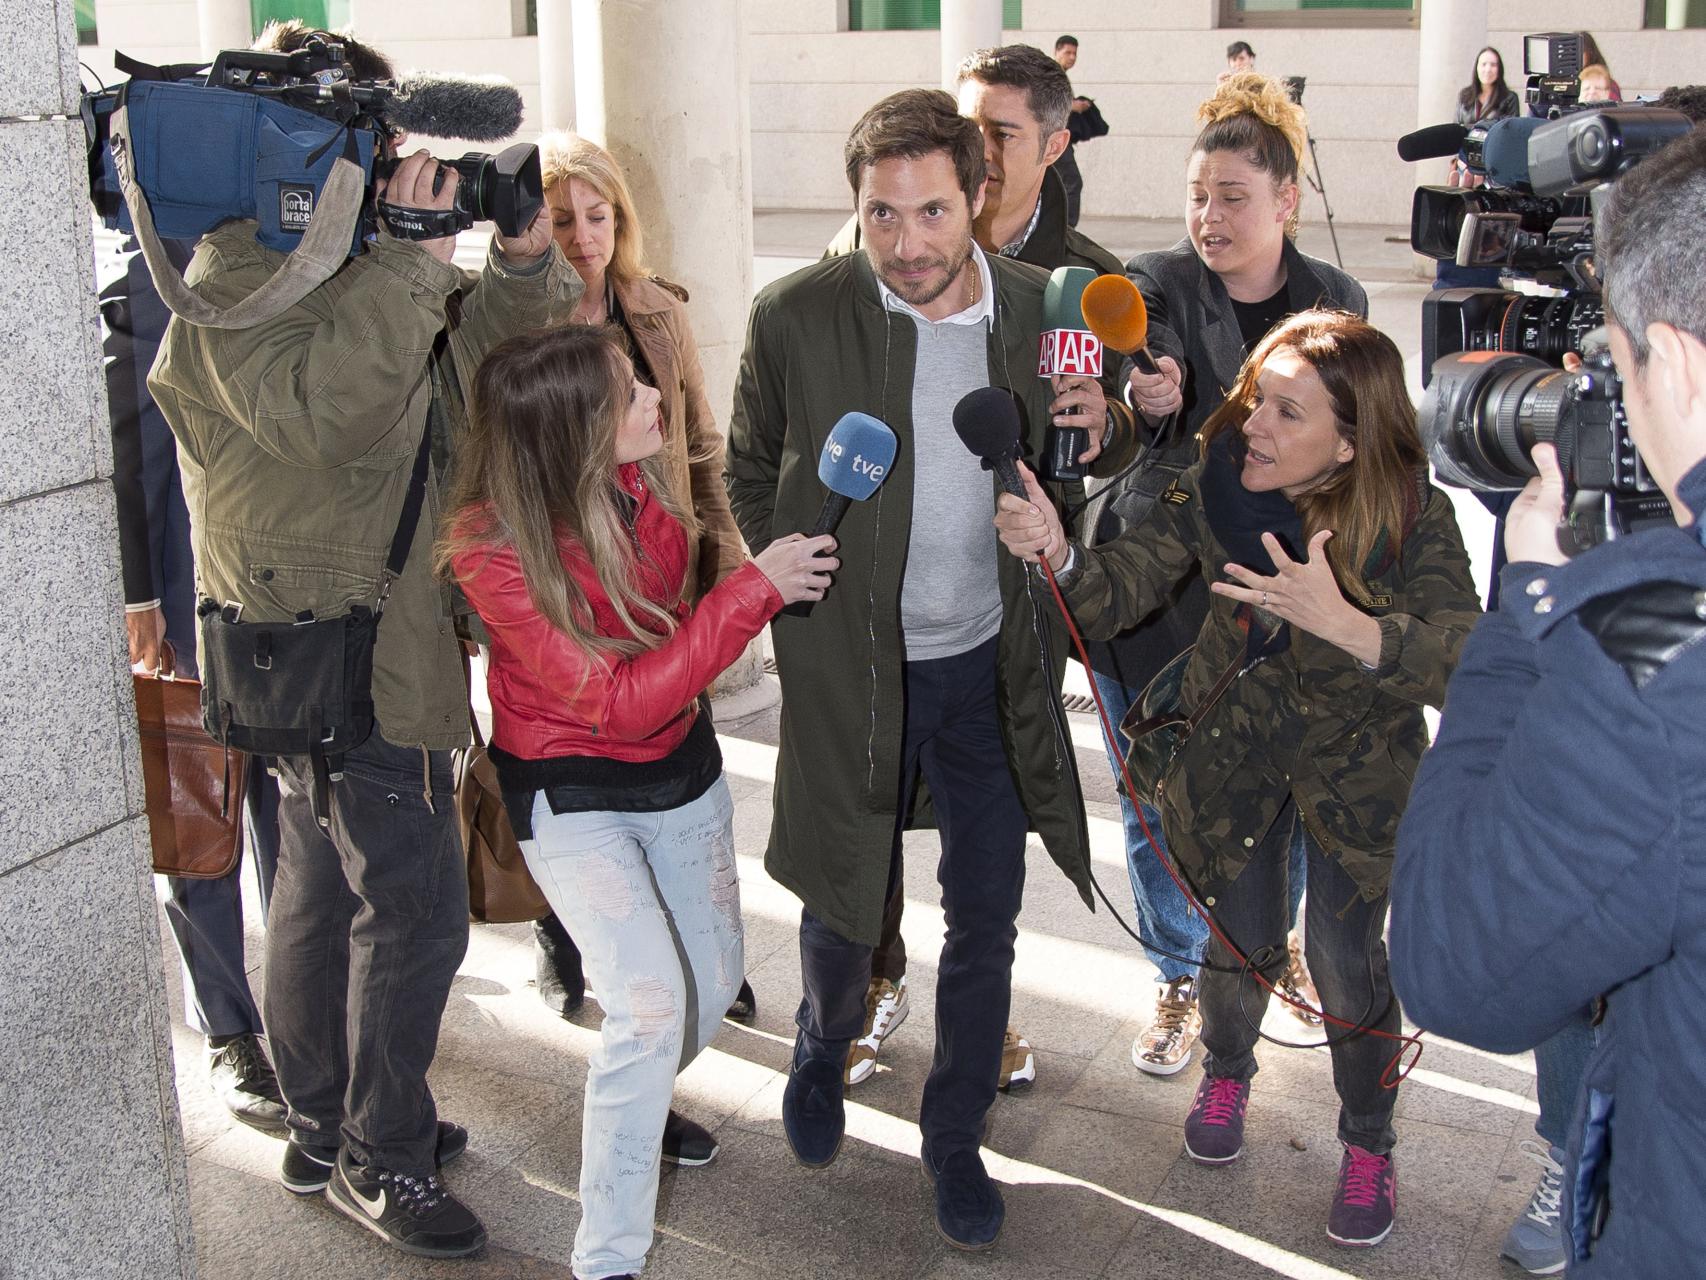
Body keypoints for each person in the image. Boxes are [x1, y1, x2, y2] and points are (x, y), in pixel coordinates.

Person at [146, 21, 578, 1258]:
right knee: (414, 908)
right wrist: (411, 255)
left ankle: (323, 1118)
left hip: (358, 632)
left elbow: (478, 377)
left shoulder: (339, 261)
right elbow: (335, 417)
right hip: (334, 641)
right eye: (368, 141)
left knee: (325, 886)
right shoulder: (236, 276)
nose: (388, 161)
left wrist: (520, 263)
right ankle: (380, 1156)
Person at [996, 308, 1481, 1248]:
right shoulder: (1209, 480)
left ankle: (1368, 1140)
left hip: (1357, 777)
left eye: (1287, 414)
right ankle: (1227, 1069)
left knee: (1346, 964)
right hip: (1234, 760)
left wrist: (1348, 623)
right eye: (1258, 399)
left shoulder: (1416, 512)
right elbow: (1119, 586)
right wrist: (1058, 550)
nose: (1252, 425)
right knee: (1239, 939)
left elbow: (1469, 663)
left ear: (1349, 443)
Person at [725, 88, 1112, 1251]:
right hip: (857, 669)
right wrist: (790, 574)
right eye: (880, 215)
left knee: (986, 914)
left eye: (930, 210)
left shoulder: (1045, 309)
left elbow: (1095, 437)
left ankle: (956, 1133)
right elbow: (746, 466)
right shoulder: (796, 313)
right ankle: (819, 1039)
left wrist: (1106, 424)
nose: (906, 243)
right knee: (843, 897)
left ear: (977, 193)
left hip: (989, 671)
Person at [445, 325, 834, 1280]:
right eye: (629, 392)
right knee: (653, 1008)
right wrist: (753, 594)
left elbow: (663, 668)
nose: (657, 396)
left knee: (705, 990)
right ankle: (606, 1258)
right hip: (570, 787)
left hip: (680, 771)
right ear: (572, 433)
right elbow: (613, 700)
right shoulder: (488, 546)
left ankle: (638, 1098)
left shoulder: (641, 489)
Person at [1392, 124, 1706, 1277]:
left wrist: (1526, 612)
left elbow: (1453, 963)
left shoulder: (1654, 640)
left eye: (1614, 370)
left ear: (1669, 361)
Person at [821, 42, 1137, 1094]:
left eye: (1000, 133)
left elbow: (1105, 436)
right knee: (865, 818)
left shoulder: (1074, 283)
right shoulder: (861, 255)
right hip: (878, 614)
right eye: (967, 128)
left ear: (1050, 144)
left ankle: (981, 1015)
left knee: (981, 834)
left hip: (999, 616)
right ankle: (871, 985)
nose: (977, 153)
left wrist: (1115, 423)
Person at [1097, 72, 1366, 1079]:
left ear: (1285, 200)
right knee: (1155, 796)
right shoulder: (1154, 277)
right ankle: (1177, 972)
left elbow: (1359, 438)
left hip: (1286, 588)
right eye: (1197, 195)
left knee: (1281, 790)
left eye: (1232, 197)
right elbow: (1146, 369)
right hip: (1163, 594)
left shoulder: (1334, 299)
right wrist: (1153, 390)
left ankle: (1261, 944)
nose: (1208, 216)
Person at [528, 131, 760, 1069]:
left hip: (662, 574)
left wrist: (728, 564)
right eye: (563, 219)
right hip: (565, 585)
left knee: (673, 762)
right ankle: (566, 934)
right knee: (580, 764)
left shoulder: (653, 310)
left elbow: (700, 442)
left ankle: (697, 951)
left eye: (600, 215)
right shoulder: (523, 319)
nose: (586, 237)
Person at [104, 235, 287, 1137]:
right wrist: (142, 599)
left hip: (289, 596)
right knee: (199, 816)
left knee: (293, 821)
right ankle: (229, 1028)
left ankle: (305, 1008)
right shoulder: (149, 263)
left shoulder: (309, 235)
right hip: (188, 593)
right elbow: (126, 440)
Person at [1049, 35, 1109, 227]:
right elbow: (1048, 102)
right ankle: (1067, 232)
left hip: (1058, 138)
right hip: (1053, 137)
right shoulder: (1052, 73)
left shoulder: (1059, 74)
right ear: (1056, 51)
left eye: (1075, 53)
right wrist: (1074, 106)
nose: (1072, 57)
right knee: (1072, 182)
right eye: (1067, 52)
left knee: (1056, 185)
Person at [1450, 46, 1521, 187]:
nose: (1488, 69)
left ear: (1499, 69)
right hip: (1465, 164)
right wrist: (1462, 161)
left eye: (1493, 65)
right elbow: (1456, 130)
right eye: (1483, 64)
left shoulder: (1509, 98)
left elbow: (1509, 136)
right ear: (1476, 68)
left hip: (1493, 168)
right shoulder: (1464, 96)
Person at [1577, 32, 1623, 101]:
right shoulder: (1564, 82)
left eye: (1598, 88)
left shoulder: (1608, 82)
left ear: (1590, 53)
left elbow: (1615, 107)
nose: (1591, 92)